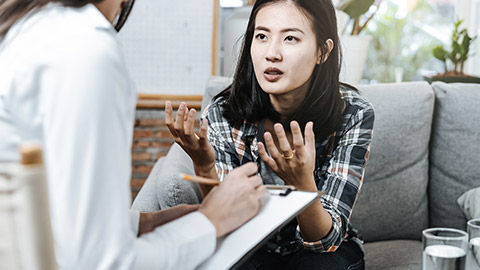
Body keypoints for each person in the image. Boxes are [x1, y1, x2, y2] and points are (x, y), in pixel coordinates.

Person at [0, 0, 266, 269]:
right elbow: (102, 262)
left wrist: (141, 224)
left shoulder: (29, 27)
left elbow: (51, 209)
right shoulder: (83, 49)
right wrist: (211, 221)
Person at [166, 0, 375, 269]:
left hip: (321, 250)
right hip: (253, 244)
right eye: (262, 36)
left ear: (323, 51)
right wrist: (205, 166)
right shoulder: (223, 112)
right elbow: (227, 226)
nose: (271, 53)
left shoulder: (354, 113)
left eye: (290, 38)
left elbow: (325, 241)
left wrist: (303, 184)